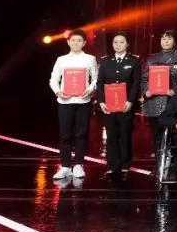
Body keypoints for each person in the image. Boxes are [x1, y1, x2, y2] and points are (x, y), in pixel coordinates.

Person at [48, 29, 98, 180]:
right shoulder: (61, 60)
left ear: (84, 43)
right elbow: (53, 79)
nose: (76, 43)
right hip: (65, 101)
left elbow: (96, 78)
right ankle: (65, 166)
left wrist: (90, 90)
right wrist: (58, 91)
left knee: (81, 134)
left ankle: (78, 165)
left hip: (83, 101)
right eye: (73, 40)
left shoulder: (90, 59)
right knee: (65, 134)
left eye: (79, 40)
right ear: (68, 42)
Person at [141, 31, 177, 155]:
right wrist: (146, 91)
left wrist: (174, 90)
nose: (166, 41)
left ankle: (174, 160)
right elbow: (144, 79)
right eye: (163, 39)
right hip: (154, 101)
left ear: (174, 42)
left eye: (169, 39)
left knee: (175, 133)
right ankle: (159, 159)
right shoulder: (152, 58)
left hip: (174, 101)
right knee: (156, 133)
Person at [97, 31, 140, 180]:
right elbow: (100, 83)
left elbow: (136, 83)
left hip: (126, 105)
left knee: (125, 134)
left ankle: (125, 166)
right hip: (109, 105)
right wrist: (101, 101)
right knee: (111, 135)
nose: (118, 45)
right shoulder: (105, 61)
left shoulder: (134, 61)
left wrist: (131, 101)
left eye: (121, 42)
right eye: (115, 42)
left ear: (127, 44)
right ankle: (112, 166)